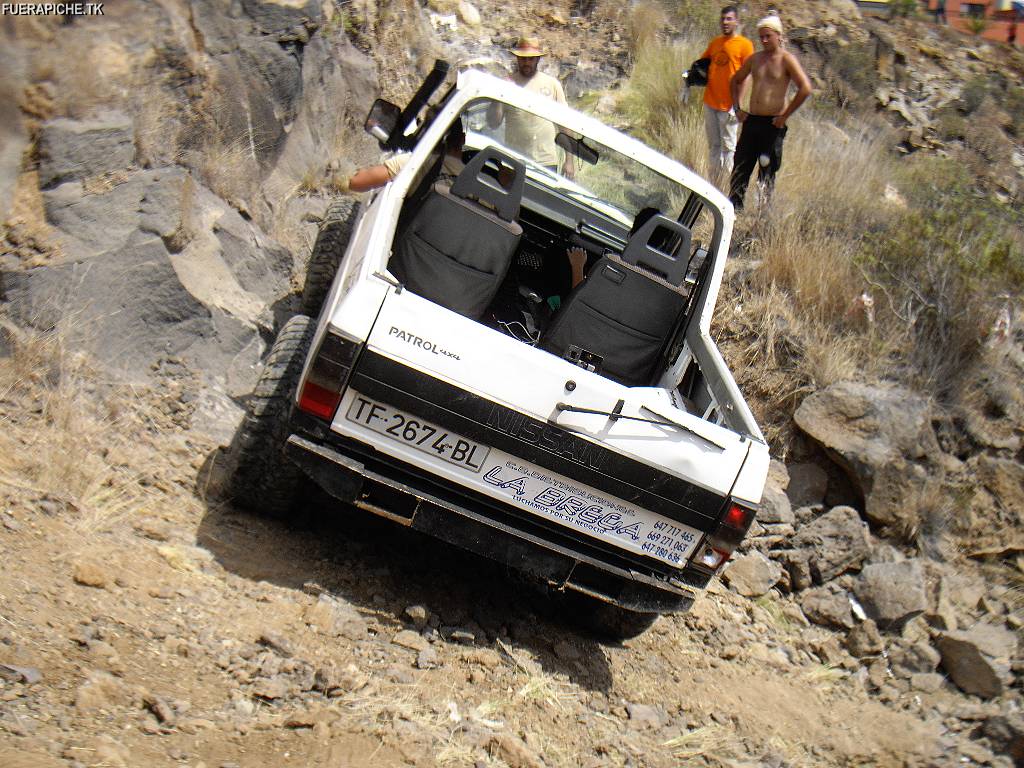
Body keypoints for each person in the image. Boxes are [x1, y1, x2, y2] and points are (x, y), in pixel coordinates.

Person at [727, 15, 812, 211]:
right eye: (761, 37)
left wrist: (784, 116)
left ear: (778, 36)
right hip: (752, 121)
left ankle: (760, 217)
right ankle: (733, 211)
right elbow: (735, 80)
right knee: (741, 167)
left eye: (768, 36)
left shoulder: (787, 60)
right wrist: (737, 108)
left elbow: (805, 88)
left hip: (773, 125)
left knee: (767, 172)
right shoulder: (755, 59)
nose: (764, 40)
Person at [487, 35, 575, 178]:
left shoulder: (552, 85)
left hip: (546, 162)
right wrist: (500, 95)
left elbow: (564, 125)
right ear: (517, 58)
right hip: (514, 160)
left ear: (538, 59)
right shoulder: (508, 84)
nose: (526, 62)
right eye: (523, 58)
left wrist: (569, 161)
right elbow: (493, 123)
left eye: (531, 58)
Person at [699, 6, 754, 181]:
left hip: (728, 106)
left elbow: (747, 77)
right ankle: (713, 184)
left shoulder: (745, 45)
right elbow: (701, 64)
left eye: (729, 19)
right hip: (710, 102)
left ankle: (726, 188)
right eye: (723, 18)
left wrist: (737, 105)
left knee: (729, 149)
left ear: (736, 21)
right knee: (714, 146)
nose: (725, 22)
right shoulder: (715, 43)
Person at [346, 119, 466, 193]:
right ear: (463, 139)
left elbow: (356, 183)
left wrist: (356, 171)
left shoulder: (413, 164)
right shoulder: (477, 183)